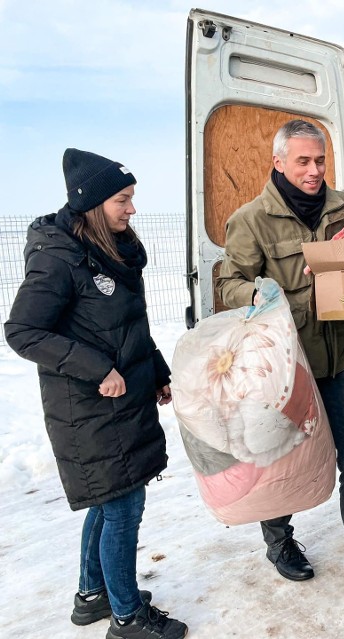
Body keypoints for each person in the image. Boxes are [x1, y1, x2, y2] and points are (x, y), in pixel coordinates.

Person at [216, 119, 344, 607]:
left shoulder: (341, 207)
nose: (314, 172)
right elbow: (227, 287)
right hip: (287, 369)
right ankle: (279, 541)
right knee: (285, 463)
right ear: (279, 163)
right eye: (304, 162)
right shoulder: (251, 221)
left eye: (321, 161)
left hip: (342, 360)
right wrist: (265, 292)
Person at [4, 149, 188, 639]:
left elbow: (129, 326)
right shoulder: (58, 258)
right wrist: (97, 368)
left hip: (123, 400)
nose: (131, 210)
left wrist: (158, 372)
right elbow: (22, 331)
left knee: (109, 503)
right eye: (122, 200)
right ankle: (127, 618)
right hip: (88, 408)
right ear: (93, 203)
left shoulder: (112, 252)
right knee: (123, 509)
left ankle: (94, 595)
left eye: (131, 199)